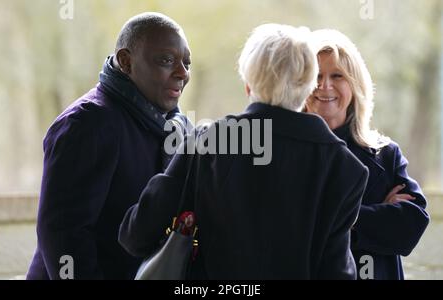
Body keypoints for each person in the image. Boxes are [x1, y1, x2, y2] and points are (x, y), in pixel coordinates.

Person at [119, 24, 369, 279]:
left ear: (249, 84)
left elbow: (136, 235)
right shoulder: (344, 167)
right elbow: (335, 272)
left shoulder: (208, 143)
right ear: (307, 87)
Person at [26, 12, 192, 280]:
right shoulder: (87, 123)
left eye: (187, 63)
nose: (183, 73)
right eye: (167, 60)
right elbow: (64, 234)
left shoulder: (178, 128)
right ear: (126, 61)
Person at [304, 29, 430, 280]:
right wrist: (376, 214)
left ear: (354, 85)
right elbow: (291, 230)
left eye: (337, 75)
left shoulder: (385, 154)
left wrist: (336, 220)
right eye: (316, 76)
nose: (324, 85)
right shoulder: (289, 154)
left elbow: (409, 227)